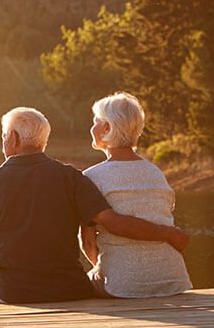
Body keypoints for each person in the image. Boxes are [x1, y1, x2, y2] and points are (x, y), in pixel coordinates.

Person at [0, 106, 189, 304]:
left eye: (4, 136)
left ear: (12, 138)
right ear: (43, 141)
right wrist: (168, 233)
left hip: (12, 291)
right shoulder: (72, 178)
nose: (4, 142)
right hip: (68, 288)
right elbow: (107, 225)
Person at [80, 93, 192, 298]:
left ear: (107, 128)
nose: (91, 128)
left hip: (123, 286)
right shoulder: (155, 172)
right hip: (173, 280)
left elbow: (87, 244)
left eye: (95, 122)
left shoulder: (90, 177)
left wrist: (110, 269)